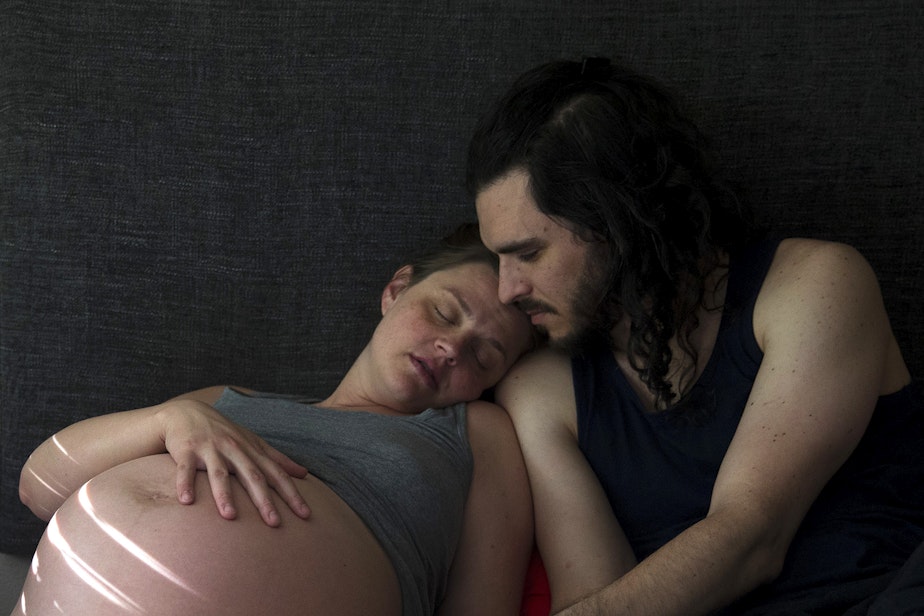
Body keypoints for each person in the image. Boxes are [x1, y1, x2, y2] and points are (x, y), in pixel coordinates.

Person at [466, 58, 924, 615]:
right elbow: (592, 597)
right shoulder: (543, 390)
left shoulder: (814, 287)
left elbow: (753, 536)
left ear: (620, 222)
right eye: (497, 259)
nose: (508, 289)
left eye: (529, 254)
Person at [13, 224, 538, 616]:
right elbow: (39, 486)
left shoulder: (477, 432)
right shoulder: (227, 401)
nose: (452, 348)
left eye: (484, 357)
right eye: (445, 313)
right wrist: (170, 419)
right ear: (396, 290)